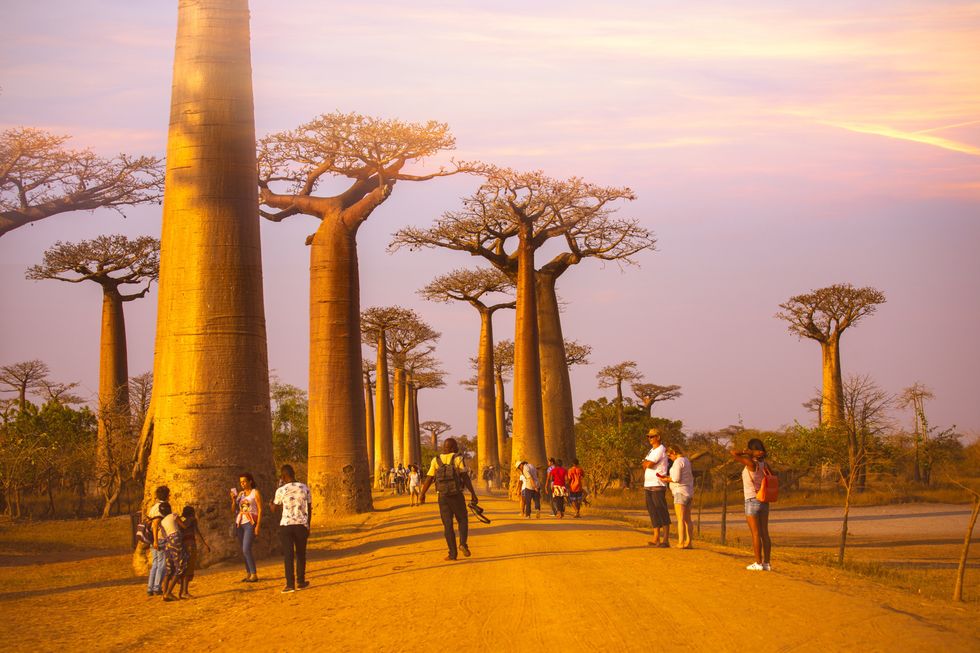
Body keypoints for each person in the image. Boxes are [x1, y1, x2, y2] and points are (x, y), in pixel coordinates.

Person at [419, 438, 479, 561]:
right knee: (462, 519)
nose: (457, 448)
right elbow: (465, 477)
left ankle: (452, 554)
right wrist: (473, 493)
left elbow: (429, 478)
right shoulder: (457, 458)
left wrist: (422, 493)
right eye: (455, 446)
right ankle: (463, 543)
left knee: (448, 525)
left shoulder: (436, 460)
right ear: (452, 448)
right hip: (456, 495)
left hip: (442, 497)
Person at [732, 438, 773, 571]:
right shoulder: (765, 465)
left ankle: (758, 563)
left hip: (751, 500)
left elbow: (733, 453)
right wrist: (754, 453)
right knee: (765, 533)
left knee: (755, 534)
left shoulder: (750, 463)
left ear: (752, 449)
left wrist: (747, 452)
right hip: (764, 500)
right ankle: (767, 563)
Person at [272, 464, 312, 593]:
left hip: (286, 525)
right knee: (301, 554)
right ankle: (301, 581)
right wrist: (308, 525)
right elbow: (309, 508)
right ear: (294, 474)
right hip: (301, 524)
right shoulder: (305, 488)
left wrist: (270, 504)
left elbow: (274, 508)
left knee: (288, 555)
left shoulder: (281, 490)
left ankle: (290, 585)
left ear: (283, 476)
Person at [658, 446, 695, 549]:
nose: (670, 458)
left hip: (680, 492)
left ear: (674, 452)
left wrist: (666, 479)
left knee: (680, 519)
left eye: (670, 455)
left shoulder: (678, 461)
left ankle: (681, 542)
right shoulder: (686, 460)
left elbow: (676, 478)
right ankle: (689, 542)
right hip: (688, 492)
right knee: (688, 519)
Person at [230, 472, 262, 583]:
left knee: (246, 548)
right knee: (243, 550)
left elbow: (260, 509)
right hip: (240, 523)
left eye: (244, 481)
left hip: (250, 523)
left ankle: (254, 574)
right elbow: (233, 510)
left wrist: (258, 525)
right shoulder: (241, 494)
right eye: (241, 482)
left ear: (250, 481)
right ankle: (248, 573)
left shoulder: (255, 493)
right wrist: (234, 500)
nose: (242, 484)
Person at [641, 428, 671, 547]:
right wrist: (646, 463)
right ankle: (656, 537)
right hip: (648, 484)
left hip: (658, 484)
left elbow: (648, 464)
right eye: (648, 436)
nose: (649, 439)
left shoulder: (660, 449)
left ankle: (666, 539)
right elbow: (644, 464)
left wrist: (646, 463)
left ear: (658, 437)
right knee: (653, 511)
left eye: (652, 436)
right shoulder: (651, 450)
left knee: (661, 510)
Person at [177, 505, 211, 598]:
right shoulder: (192, 520)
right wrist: (205, 544)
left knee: (184, 568)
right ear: (192, 513)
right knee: (188, 570)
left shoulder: (179, 520)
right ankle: (185, 592)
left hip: (182, 546)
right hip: (190, 546)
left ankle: (181, 592)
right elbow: (197, 532)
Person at [159, 502, 187, 601]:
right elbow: (183, 526)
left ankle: (164, 592)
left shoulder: (162, 522)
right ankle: (168, 593)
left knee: (169, 569)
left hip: (168, 542)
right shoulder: (174, 515)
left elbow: (164, 533)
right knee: (181, 567)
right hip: (176, 540)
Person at [146, 485, 170, 597]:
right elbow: (155, 524)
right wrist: (156, 540)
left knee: (155, 563)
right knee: (162, 563)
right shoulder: (162, 508)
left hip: (153, 538)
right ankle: (157, 587)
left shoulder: (153, 507)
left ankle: (150, 587)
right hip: (159, 538)